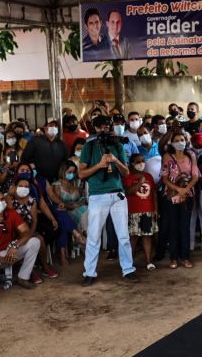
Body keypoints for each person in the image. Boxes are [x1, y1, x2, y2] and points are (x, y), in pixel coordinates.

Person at [78, 115, 139, 284]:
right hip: (98, 195)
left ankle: (128, 269)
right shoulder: (88, 147)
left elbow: (126, 173)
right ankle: (89, 273)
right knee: (94, 236)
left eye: (106, 127)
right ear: (94, 129)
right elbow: (81, 174)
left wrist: (115, 160)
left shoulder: (117, 144)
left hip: (118, 194)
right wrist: (99, 165)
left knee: (123, 235)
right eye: (100, 128)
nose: (103, 130)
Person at [0, 189, 42, 289]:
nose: (0, 202)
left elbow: (26, 232)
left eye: (2, 199)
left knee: (35, 241)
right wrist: (2, 259)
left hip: (11, 250)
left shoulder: (11, 213)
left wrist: (15, 245)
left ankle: (23, 277)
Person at [160, 130, 200, 269]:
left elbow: (195, 175)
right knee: (173, 227)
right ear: (171, 143)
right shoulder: (167, 156)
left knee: (185, 227)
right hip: (171, 196)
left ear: (186, 141)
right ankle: (173, 258)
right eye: (176, 140)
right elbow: (164, 178)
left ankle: (185, 257)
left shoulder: (191, 155)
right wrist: (178, 189)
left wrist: (186, 189)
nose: (179, 142)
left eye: (182, 139)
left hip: (187, 196)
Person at [122, 154, 158, 270]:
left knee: (147, 237)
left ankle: (149, 261)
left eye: (143, 161)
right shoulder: (128, 176)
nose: (141, 163)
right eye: (138, 162)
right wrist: (139, 182)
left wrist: (156, 209)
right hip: (133, 211)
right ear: (132, 163)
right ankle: (129, 263)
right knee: (133, 238)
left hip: (148, 211)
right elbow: (129, 192)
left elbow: (154, 194)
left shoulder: (149, 176)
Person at [21, 119, 68, 183]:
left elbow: (65, 161)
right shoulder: (35, 142)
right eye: (51, 125)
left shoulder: (62, 144)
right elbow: (24, 159)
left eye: (56, 126)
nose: (54, 128)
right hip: (39, 180)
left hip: (57, 180)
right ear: (45, 128)